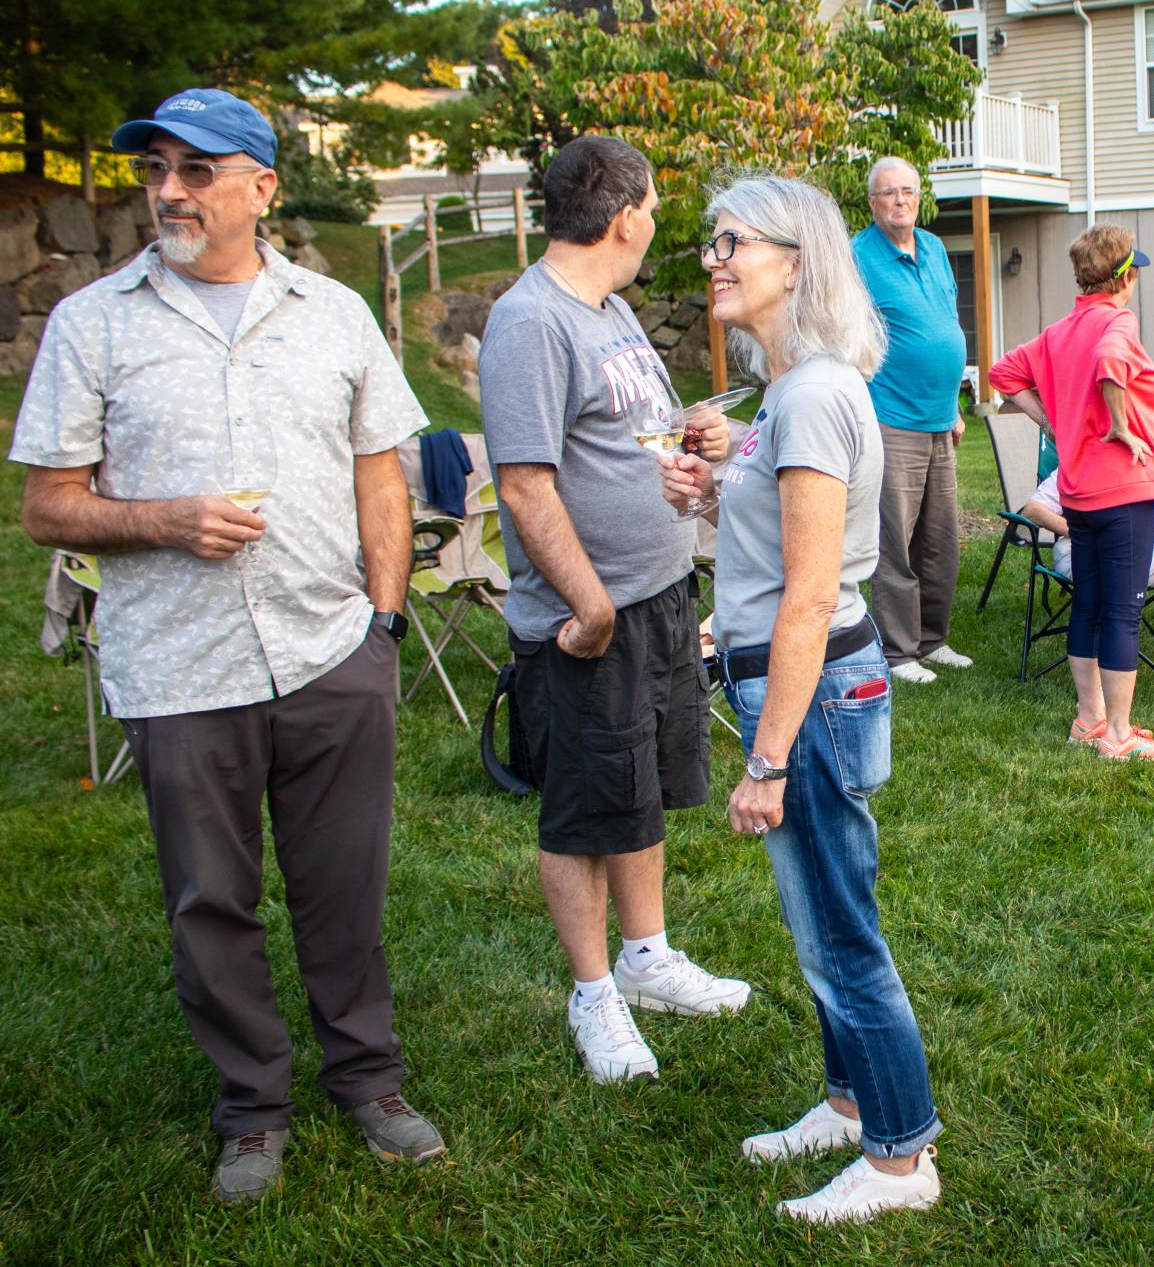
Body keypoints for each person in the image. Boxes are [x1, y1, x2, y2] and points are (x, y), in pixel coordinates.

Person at [10, 88, 442, 1204]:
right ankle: (253, 1105)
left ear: (262, 186)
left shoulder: (335, 312)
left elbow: (379, 468)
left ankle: (370, 1077)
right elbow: (48, 506)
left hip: (330, 647)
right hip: (177, 662)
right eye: (157, 169)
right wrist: (161, 518)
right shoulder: (94, 322)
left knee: (344, 884)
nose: (169, 191)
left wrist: (384, 621)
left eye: (197, 171)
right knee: (211, 898)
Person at [658, 174, 943, 1225]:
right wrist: (710, 492)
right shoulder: (789, 392)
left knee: (840, 926)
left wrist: (765, 759)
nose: (714, 259)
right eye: (710, 242)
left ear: (797, 260)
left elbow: (812, 593)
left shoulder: (815, 390)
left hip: (814, 687)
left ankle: (903, 1157)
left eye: (733, 241)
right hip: (806, 680)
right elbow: (773, 547)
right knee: (819, 914)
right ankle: (847, 1099)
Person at [480, 135, 749, 1087]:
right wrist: (589, 607)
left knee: (639, 790)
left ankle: (646, 958)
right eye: (655, 207)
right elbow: (522, 484)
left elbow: (632, 431)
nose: (657, 223)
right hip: (587, 619)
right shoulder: (531, 321)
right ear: (626, 214)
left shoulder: (613, 311)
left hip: (660, 594)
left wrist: (698, 431)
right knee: (583, 807)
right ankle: (593, 992)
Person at [987, 223, 1154, 761]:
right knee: (1123, 611)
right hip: (1124, 487)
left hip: (1079, 492)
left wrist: (1051, 421)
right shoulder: (1117, 320)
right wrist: (1118, 423)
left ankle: (1089, 721)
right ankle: (1118, 735)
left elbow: (1003, 373)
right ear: (1124, 275)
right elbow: (1110, 365)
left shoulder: (1060, 330)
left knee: (1090, 605)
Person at [850, 156, 972, 685]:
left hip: (940, 417)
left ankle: (933, 639)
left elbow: (945, 323)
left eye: (908, 191)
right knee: (894, 541)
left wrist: (955, 405)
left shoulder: (936, 247)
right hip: (890, 417)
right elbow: (844, 334)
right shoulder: (857, 256)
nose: (900, 200)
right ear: (872, 203)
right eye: (888, 194)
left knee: (940, 539)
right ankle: (898, 652)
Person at [1020, 437, 1154, 721]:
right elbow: (1034, 508)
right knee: (1107, 576)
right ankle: (1095, 694)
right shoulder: (1090, 449)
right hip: (1087, 545)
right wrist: (1082, 533)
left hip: (1153, 548)